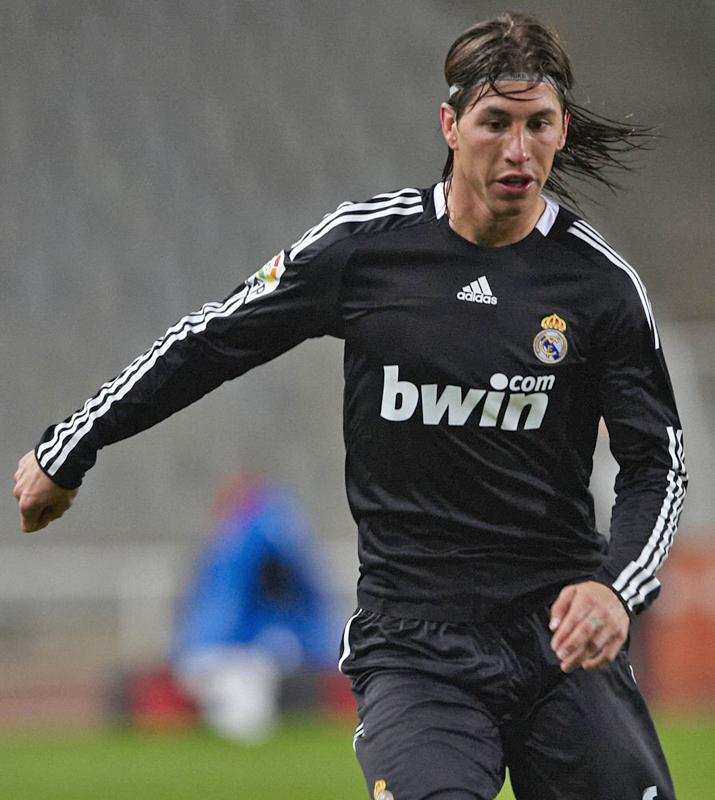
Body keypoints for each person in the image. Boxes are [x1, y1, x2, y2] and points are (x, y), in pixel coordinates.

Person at [13, 11, 687, 800]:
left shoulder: (599, 286)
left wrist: (616, 588)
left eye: (537, 124)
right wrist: (72, 445)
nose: (517, 149)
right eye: (494, 123)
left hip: (558, 640)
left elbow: (656, 463)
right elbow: (209, 341)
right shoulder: (367, 248)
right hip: (416, 647)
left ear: (561, 129)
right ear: (450, 125)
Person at [171, 473, 335, 740]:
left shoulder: (225, 540)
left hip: (206, 649)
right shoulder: (264, 528)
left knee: (243, 719)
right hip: (232, 652)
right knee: (248, 726)